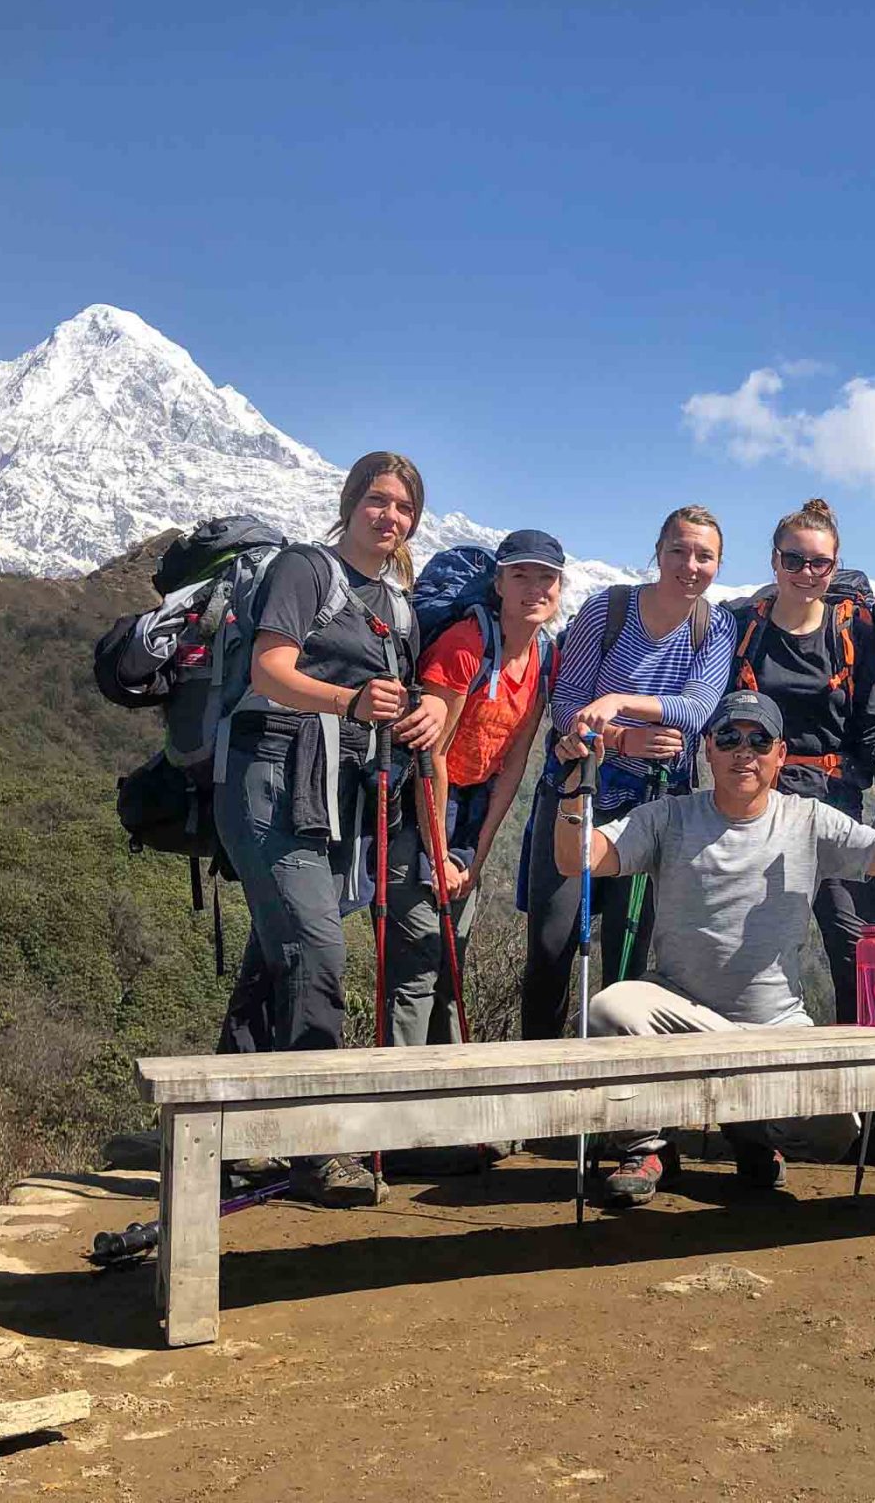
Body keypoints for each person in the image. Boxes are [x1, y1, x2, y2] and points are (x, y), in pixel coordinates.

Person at [554, 690, 875, 1206]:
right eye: (729, 738)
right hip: (679, 1014)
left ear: (781, 756)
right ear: (708, 751)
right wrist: (573, 787)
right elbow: (578, 858)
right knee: (608, 1010)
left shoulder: (807, 819)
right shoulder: (669, 817)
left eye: (760, 741)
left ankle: (749, 1130)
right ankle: (646, 1145)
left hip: (773, 1028)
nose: (745, 751)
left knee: (836, 1128)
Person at [214, 451, 447, 1206]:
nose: (391, 517)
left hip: (333, 792)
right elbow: (269, 671)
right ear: (350, 503)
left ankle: (224, 1137)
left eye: (404, 508)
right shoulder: (304, 570)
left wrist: (424, 708)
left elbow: (396, 692)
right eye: (378, 501)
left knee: (274, 954)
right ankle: (315, 1152)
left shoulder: (397, 601)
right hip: (271, 777)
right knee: (315, 947)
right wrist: (347, 704)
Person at [517, 505, 737, 1040]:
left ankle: (619, 1102)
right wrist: (622, 738)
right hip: (581, 792)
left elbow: (700, 707)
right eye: (679, 550)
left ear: (718, 563)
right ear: (658, 553)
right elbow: (567, 704)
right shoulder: (606, 610)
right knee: (551, 945)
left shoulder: (715, 625)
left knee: (629, 953)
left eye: (704, 555)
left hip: (658, 806)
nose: (690, 564)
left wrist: (617, 701)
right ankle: (541, 1090)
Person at [386, 529, 565, 1056]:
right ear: (499, 582)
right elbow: (431, 754)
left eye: (546, 578)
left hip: (470, 815)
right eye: (521, 575)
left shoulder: (541, 659)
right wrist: (438, 854)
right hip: (416, 812)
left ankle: (448, 1114)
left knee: (450, 969)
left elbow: (512, 765)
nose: (535, 588)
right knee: (417, 970)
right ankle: (400, 1121)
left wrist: (478, 855)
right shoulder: (466, 644)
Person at [725, 498, 875, 1024]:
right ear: (774, 561)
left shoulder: (857, 630)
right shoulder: (740, 628)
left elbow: (872, 723)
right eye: (793, 560)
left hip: (832, 802)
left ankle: (861, 1075)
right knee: (743, 946)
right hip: (753, 801)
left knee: (853, 941)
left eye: (819, 563)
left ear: (835, 565)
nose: (806, 572)